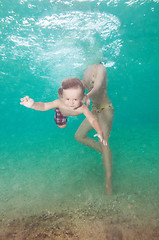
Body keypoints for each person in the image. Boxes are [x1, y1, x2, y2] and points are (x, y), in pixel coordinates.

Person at [20, 77, 107, 145]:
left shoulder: (83, 107)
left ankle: (83, 93)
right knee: (62, 126)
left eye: (75, 99)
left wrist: (99, 131)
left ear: (81, 98)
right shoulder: (59, 103)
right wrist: (33, 105)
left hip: (80, 104)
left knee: (85, 105)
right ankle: (65, 112)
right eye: (68, 99)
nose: (71, 103)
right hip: (62, 111)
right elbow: (44, 106)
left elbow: (92, 120)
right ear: (63, 97)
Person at [75, 64, 114, 195]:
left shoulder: (101, 69)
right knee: (79, 136)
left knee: (104, 142)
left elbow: (97, 87)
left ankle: (108, 182)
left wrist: (87, 96)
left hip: (105, 109)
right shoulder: (86, 71)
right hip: (94, 111)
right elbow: (80, 87)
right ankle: (105, 153)